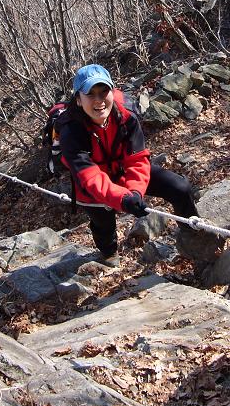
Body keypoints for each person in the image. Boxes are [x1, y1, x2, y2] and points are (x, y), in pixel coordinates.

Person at [57, 64, 204, 267]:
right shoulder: (71, 132)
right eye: (90, 94)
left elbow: (137, 160)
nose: (99, 100)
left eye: (103, 92)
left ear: (112, 91)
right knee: (103, 222)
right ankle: (109, 255)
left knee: (179, 187)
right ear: (78, 100)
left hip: (123, 171)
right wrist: (123, 199)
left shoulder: (125, 117)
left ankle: (193, 233)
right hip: (91, 183)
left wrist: (134, 192)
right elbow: (90, 177)